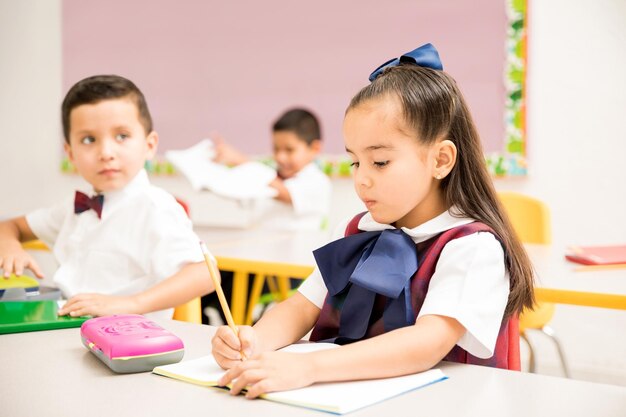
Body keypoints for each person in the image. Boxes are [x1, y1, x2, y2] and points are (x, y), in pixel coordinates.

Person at [210, 43, 535, 398]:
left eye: (379, 162)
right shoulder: (354, 231)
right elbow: (301, 307)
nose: (361, 179)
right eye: (354, 162)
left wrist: (308, 367)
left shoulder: (472, 248)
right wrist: (254, 342)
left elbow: (426, 343)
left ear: (441, 160)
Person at [0, 75, 214, 319]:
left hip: (128, 343)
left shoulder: (156, 208)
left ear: (150, 145)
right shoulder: (73, 207)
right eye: (89, 139)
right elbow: (9, 226)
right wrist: (9, 246)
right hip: (70, 330)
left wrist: (130, 304)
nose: (106, 152)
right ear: (70, 153)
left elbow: (206, 274)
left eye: (122, 136)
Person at [212, 108, 331, 231]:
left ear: (314, 149)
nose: (280, 157)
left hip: (297, 249)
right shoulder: (268, 176)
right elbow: (240, 191)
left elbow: (283, 193)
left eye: (289, 150)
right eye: (276, 149)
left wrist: (242, 162)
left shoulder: (318, 182)